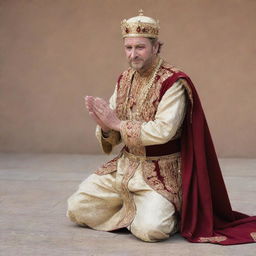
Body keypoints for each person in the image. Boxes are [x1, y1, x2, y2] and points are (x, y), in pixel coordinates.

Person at [67, 10, 256, 244]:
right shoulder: (124, 78)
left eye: (140, 47)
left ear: (156, 47)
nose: (133, 54)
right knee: (76, 208)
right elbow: (113, 128)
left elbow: (163, 130)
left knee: (151, 231)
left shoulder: (173, 82)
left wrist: (116, 123)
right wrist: (106, 127)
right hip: (125, 167)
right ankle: (139, 207)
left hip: (160, 172)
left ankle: (169, 212)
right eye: (129, 48)